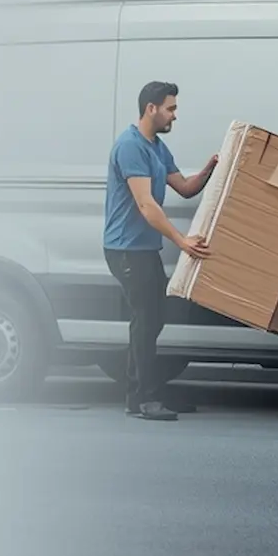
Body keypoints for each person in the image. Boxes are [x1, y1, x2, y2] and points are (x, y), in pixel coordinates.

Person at [104, 81, 219, 422]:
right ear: (151, 108)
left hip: (144, 249)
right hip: (126, 249)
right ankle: (144, 396)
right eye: (171, 108)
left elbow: (184, 187)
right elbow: (146, 204)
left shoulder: (156, 147)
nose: (174, 115)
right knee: (146, 319)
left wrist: (211, 168)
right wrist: (181, 241)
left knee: (154, 318)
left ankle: (138, 392)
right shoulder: (130, 146)